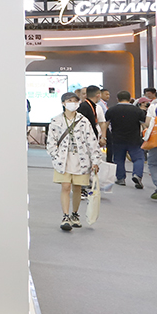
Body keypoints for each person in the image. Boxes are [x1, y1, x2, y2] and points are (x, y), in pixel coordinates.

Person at [46, 92, 101, 231]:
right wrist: (56, 155)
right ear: (63, 103)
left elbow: (92, 141)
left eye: (75, 101)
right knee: (65, 187)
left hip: (81, 159)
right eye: (70, 101)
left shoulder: (83, 120)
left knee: (77, 187)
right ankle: (65, 216)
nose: (73, 103)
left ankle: (75, 214)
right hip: (63, 160)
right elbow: (51, 141)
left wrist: (95, 159)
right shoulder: (56, 121)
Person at [106, 91, 147, 189]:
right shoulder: (137, 111)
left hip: (117, 138)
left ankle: (120, 178)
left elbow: (105, 125)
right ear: (130, 99)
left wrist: (103, 136)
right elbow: (144, 125)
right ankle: (137, 175)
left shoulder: (111, 110)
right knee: (138, 158)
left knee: (119, 159)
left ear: (117, 99)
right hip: (134, 139)